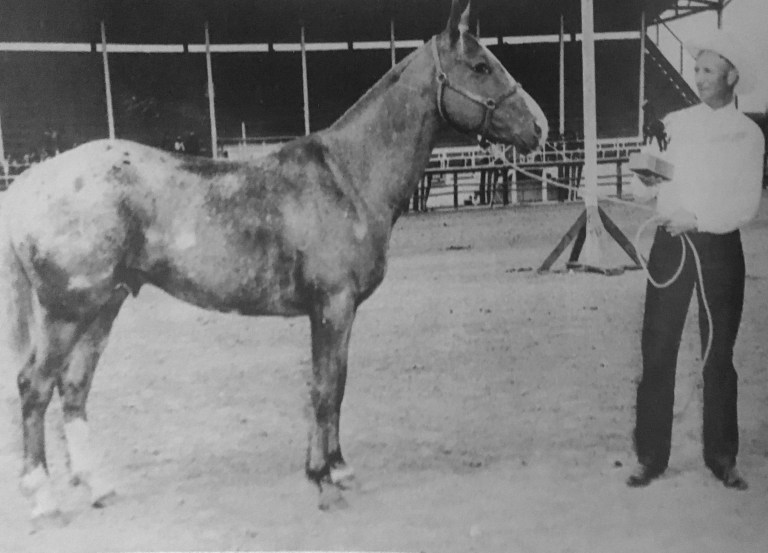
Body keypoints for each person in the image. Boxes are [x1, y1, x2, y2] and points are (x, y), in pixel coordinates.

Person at [627, 30, 764, 489]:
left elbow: (745, 203)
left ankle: (722, 457)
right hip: (670, 244)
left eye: (707, 70)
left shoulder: (748, 135)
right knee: (658, 349)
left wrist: (699, 217)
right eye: (697, 69)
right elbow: (646, 186)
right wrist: (644, 168)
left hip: (719, 249)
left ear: (731, 76)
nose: (698, 78)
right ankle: (651, 456)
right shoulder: (676, 122)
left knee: (717, 355)